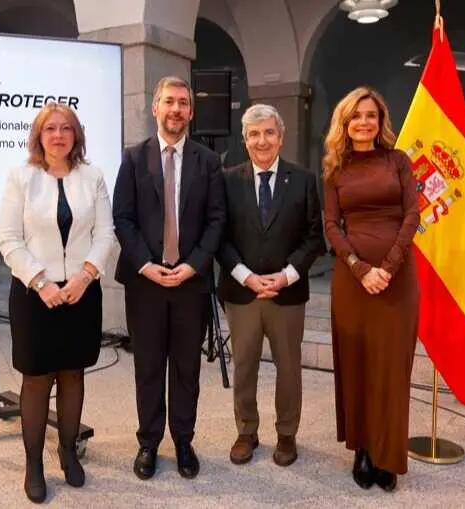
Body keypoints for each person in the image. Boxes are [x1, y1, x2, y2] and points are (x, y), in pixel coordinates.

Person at [0, 103, 115, 503]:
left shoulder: (93, 177)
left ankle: (67, 451)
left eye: (67, 128)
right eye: (50, 128)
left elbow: (106, 234)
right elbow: (9, 239)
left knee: (73, 374)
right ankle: (34, 464)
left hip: (82, 293)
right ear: (39, 135)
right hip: (35, 296)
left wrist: (85, 276)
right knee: (36, 380)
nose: (59, 135)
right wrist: (41, 282)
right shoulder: (21, 178)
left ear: (76, 135)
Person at [112, 75, 226, 480]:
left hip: (190, 282)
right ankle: (148, 442)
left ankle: (183, 440)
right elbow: (122, 218)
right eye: (169, 102)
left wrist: (192, 265)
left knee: (185, 367)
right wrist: (147, 264)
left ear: (190, 112)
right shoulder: (132, 158)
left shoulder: (209, 161)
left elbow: (217, 221)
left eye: (183, 103)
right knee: (147, 365)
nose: (176, 109)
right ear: (154, 108)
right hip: (145, 282)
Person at [322, 86, 420, 492]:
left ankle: (388, 453)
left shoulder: (399, 161)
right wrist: (360, 268)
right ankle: (362, 449)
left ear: (381, 122)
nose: (364, 122)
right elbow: (331, 225)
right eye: (356, 116)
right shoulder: (335, 168)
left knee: (392, 367)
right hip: (352, 278)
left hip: (398, 278)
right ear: (345, 123)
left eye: (371, 115)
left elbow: (413, 213)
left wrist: (389, 266)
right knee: (357, 362)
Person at [217, 104, 324, 467]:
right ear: (244, 140)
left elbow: (314, 238)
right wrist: (246, 276)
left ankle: (286, 434)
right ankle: (246, 431)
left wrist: (286, 275)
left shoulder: (305, 180)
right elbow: (220, 238)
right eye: (254, 134)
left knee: (289, 367)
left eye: (268, 133)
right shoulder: (228, 180)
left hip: (287, 292)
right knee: (244, 365)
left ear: (281, 137)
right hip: (242, 293)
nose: (262, 140)